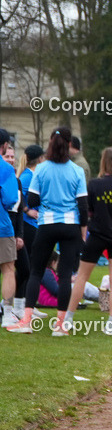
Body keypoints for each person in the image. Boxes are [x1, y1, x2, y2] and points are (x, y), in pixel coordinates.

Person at [8, 127, 86, 335]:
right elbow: (83, 205)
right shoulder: (77, 171)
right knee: (65, 274)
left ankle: (25, 320)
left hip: (47, 224)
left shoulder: (41, 169)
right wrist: (83, 230)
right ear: (70, 145)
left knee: (35, 272)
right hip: (71, 225)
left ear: (50, 143)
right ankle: (60, 325)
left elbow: (32, 201)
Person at [61, 148, 112, 335]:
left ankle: (68, 318)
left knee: (81, 277)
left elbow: (89, 211)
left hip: (97, 235)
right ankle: (111, 323)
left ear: (103, 162)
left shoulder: (94, 184)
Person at [7, 144, 46, 325]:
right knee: (26, 267)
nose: (10, 160)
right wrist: (28, 210)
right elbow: (24, 201)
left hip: (27, 227)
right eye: (7, 156)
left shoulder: (26, 176)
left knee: (28, 267)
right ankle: (15, 305)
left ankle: (23, 304)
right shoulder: (27, 176)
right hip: (26, 226)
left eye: (12, 157)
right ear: (40, 158)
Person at [0, 129, 20, 327]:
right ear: (4, 145)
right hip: (1, 226)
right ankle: (7, 313)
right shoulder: (5, 169)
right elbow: (11, 199)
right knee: (8, 269)